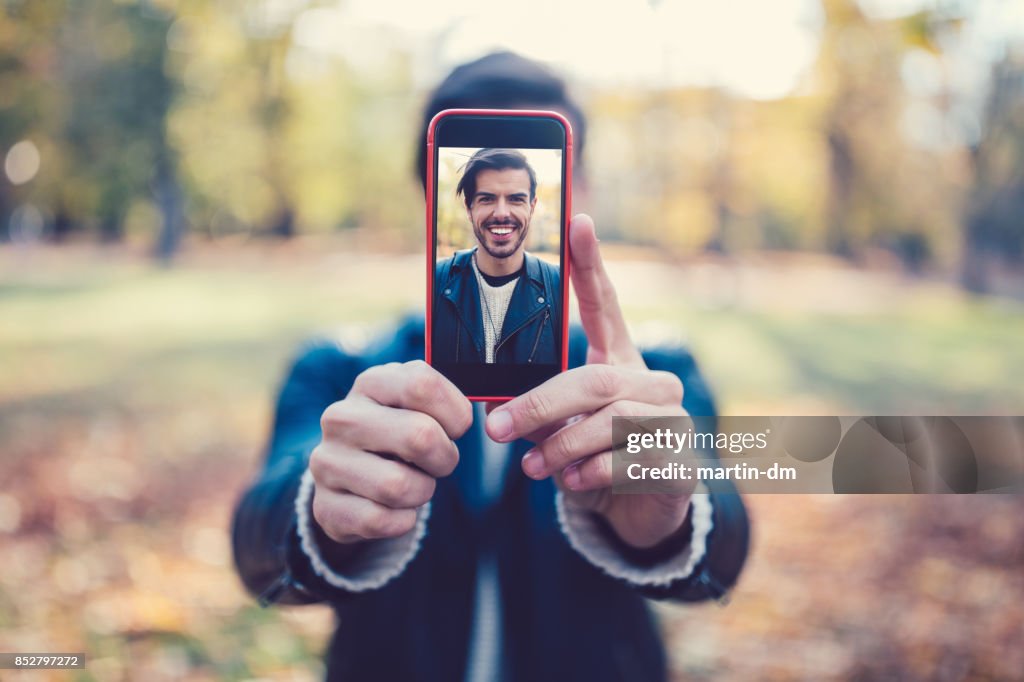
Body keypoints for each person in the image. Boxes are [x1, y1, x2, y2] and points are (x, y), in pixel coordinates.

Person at [232, 51, 749, 682]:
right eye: (485, 191)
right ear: (437, 196)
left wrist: (673, 521)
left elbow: (728, 543)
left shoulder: (657, 375)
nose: (504, 213)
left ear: (570, 196)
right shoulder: (341, 370)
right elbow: (256, 542)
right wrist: (320, 509)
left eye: (528, 184)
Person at [434, 147, 560, 365]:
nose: (502, 213)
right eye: (487, 199)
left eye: (515, 199)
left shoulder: (558, 286)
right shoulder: (436, 280)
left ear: (532, 206)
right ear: (468, 207)